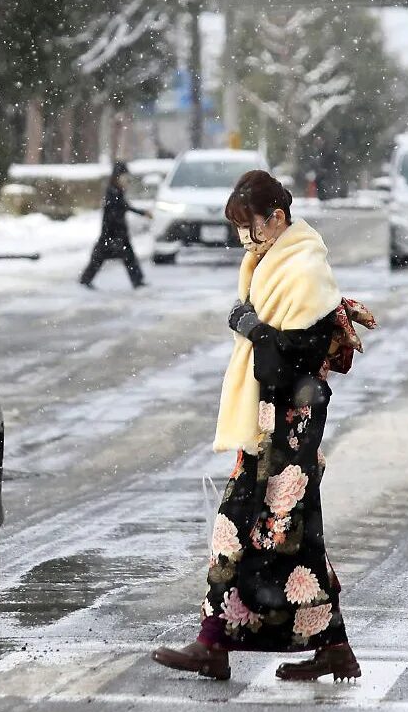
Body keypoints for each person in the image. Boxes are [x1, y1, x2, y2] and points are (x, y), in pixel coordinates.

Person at [153, 170, 373, 683]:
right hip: (273, 420)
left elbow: (294, 353)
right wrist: (252, 325)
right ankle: (332, 646)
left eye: (247, 226)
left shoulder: (303, 266)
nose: (243, 238)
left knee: (240, 527)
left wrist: (251, 325)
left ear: (276, 218)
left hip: (287, 426)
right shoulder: (272, 259)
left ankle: (213, 644)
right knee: (299, 537)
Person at [80, 161, 152, 289]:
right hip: (111, 232)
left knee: (127, 257)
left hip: (118, 233)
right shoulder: (112, 193)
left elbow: (124, 207)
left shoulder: (116, 191)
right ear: (117, 177)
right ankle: (85, 279)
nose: (126, 181)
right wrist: (115, 230)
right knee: (101, 257)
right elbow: (115, 212)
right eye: (124, 177)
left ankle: (137, 281)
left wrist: (141, 213)